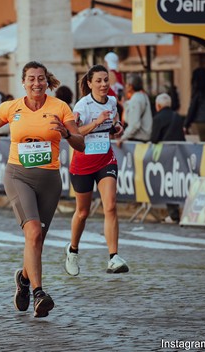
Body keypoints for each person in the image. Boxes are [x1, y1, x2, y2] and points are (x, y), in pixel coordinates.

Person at [0, 61, 84, 318]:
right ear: (23, 82)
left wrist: (66, 134)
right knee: (33, 230)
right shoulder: (11, 107)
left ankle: (24, 279)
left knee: (37, 239)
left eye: (40, 78)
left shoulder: (60, 107)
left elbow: (80, 143)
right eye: (31, 78)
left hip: (50, 179)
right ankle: (39, 293)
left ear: (46, 80)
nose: (36, 83)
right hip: (19, 176)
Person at [64, 64, 128, 278]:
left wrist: (116, 128)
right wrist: (96, 123)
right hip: (83, 162)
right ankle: (72, 250)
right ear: (89, 83)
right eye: (98, 81)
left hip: (105, 160)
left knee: (110, 205)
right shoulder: (82, 105)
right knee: (83, 212)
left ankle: (113, 257)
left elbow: (114, 124)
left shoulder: (112, 101)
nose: (103, 84)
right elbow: (74, 133)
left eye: (106, 80)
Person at [150, 93, 186, 223]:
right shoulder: (177, 116)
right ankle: (177, 213)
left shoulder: (158, 117)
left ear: (158, 105)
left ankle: (173, 214)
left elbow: (154, 139)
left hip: (164, 156)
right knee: (176, 182)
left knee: (167, 183)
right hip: (178, 155)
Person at [118, 74, 152, 145]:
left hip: (137, 140)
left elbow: (134, 125)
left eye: (127, 84)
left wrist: (123, 138)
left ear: (131, 86)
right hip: (144, 139)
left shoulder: (136, 100)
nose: (125, 86)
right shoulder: (144, 96)